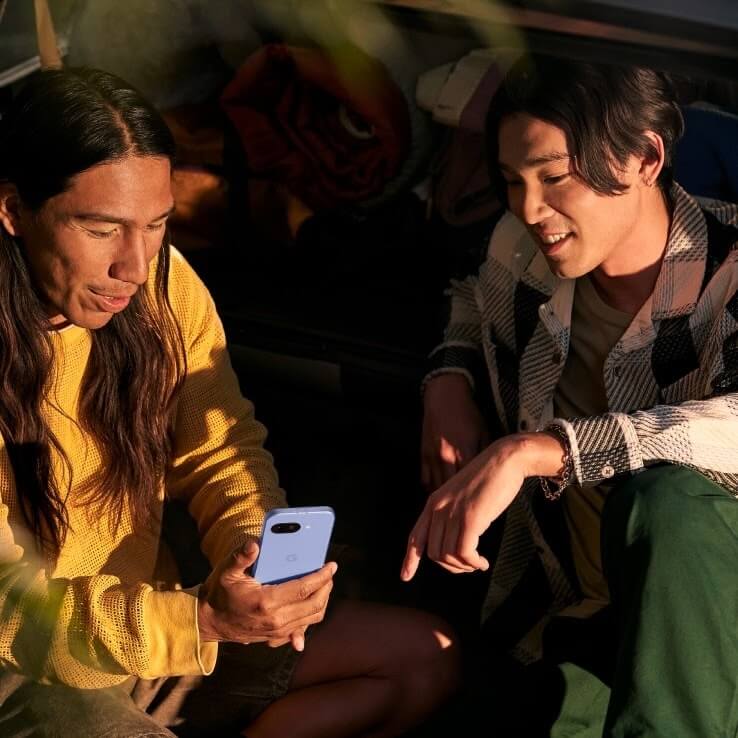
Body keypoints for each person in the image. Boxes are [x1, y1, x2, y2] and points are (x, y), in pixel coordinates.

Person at [0, 67, 460, 738]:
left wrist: (257, 566)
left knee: (422, 660)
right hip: (30, 669)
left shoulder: (160, 285)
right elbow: (14, 612)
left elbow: (220, 447)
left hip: (156, 628)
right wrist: (198, 620)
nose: (134, 265)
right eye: (101, 230)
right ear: (13, 210)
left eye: (155, 225)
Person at [402, 53, 738, 736]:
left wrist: (543, 451)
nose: (529, 208)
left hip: (714, 629)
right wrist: (449, 378)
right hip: (576, 618)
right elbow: (468, 298)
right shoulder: (518, 253)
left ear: (645, 158)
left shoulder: (730, 269)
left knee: (666, 502)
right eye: (512, 182)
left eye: (554, 178)